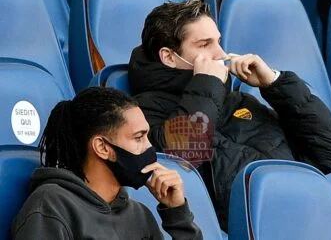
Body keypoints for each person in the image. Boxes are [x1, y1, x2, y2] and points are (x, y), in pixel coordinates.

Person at [128, 0, 331, 231]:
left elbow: (330, 151)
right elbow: (184, 156)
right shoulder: (142, 112)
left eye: (219, 42)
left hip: (300, 222)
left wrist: (274, 83)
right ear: (169, 57)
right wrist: (207, 83)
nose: (220, 53)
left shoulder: (239, 100)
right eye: (205, 44)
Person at [12, 87, 203, 239]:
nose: (149, 147)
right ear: (102, 147)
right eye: (139, 138)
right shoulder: (51, 206)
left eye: (148, 137)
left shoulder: (139, 215)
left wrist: (178, 214)